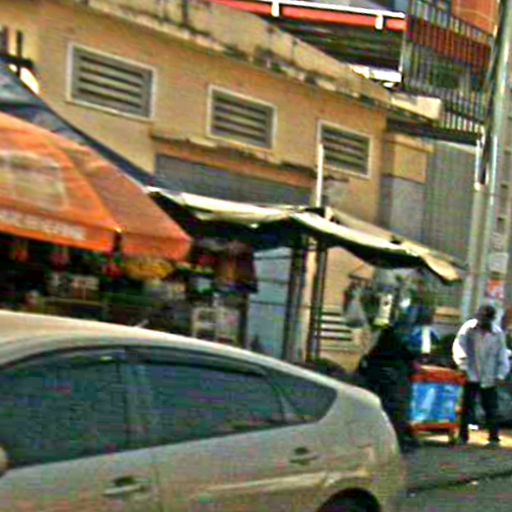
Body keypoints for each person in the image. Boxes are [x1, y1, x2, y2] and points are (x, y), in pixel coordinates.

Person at [452, 305, 510, 447]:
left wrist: (501, 374)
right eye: (480, 318)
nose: (481, 322)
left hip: (489, 376)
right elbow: (459, 346)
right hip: (471, 373)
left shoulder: (497, 333)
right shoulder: (469, 328)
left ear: (491, 319)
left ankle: (494, 438)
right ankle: (462, 437)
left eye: (485, 319)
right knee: (466, 407)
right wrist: (462, 365)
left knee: (491, 408)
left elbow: (502, 354)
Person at [359, 325, 419, 453]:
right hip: (397, 391)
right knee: (397, 417)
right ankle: (399, 442)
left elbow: (364, 371)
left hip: (379, 392)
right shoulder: (401, 350)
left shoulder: (376, 352)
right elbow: (411, 367)